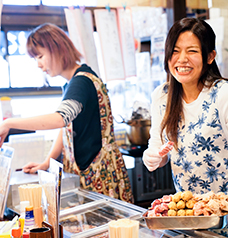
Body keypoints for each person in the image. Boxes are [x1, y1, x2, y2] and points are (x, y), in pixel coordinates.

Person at [142, 17, 228, 237]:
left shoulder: (227, 95)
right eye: (175, 51)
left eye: (192, 51)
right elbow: (157, 147)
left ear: (210, 56)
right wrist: (153, 157)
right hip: (188, 220)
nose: (182, 59)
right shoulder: (161, 96)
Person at [0, 23, 133, 203]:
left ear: (58, 49)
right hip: (91, 171)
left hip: (99, 174)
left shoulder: (81, 82)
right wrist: (47, 161)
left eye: (40, 56)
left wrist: (8, 123)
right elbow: (67, 129)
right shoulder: (73, 82)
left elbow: (60, 119)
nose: (39, 65)